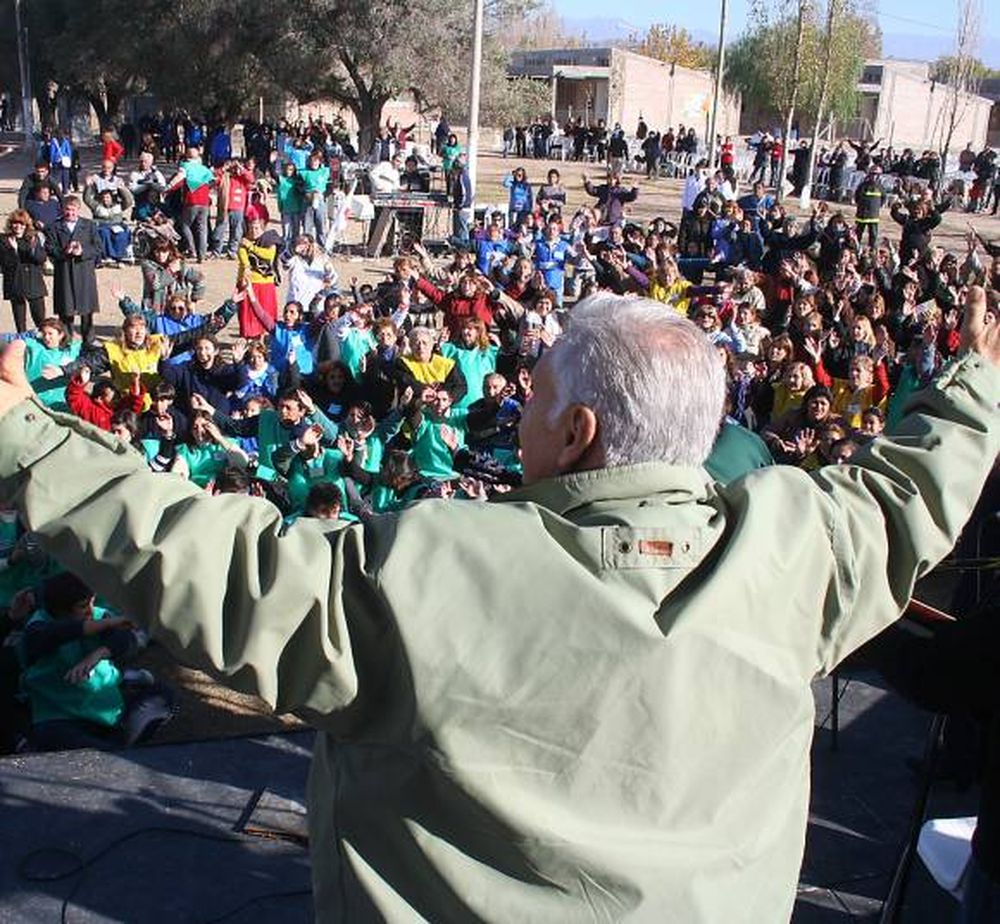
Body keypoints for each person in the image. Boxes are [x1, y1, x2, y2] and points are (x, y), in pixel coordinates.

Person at [0, 261, 998, 924]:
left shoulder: (427, 571)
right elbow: (909, 486)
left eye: (535, 400)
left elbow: (206, 563)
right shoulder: (807, 550)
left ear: (577, 438)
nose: (518, 415)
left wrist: (24, 435)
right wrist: (979, 381)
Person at [45, 195, 101, 344]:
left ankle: (89, 342)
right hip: (64, 271)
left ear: (78, 209)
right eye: (67, 210)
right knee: (66, 309)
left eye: (73, 210)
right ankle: (66, 341)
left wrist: (82, 251)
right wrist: (65, 251)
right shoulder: (54, 227)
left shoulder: (89, 225)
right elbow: (49, 248)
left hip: (84, 272)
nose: (70, 213)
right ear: (63, 209)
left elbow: (97, 247)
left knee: (87, 310)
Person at [0, 210, 48, 333]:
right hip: (15, 283)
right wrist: (13, 250)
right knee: (20, 323)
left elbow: (41, 258)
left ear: (26, 225)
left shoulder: (33, 238)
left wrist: (32, 249)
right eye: (15, 223)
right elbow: (5, 264)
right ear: (10, 224)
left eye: (21, 224)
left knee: (40, 319)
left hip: (33, 282)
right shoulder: (4, 240)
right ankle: (22, 346)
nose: (18, 226)